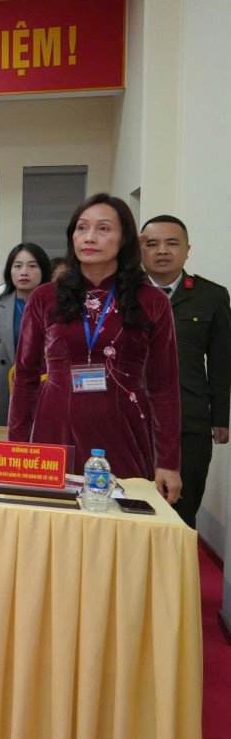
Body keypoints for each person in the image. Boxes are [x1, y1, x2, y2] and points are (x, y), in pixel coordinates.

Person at [10, 196, 180, 502]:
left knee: (120, 519)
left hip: (124, 429)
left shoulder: (152, 300)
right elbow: (25, 377)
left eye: (103, 228)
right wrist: (17, 448)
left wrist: (168, 460)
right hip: (55, 428)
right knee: (53, 519)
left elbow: (164, 385)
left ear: (124, 238)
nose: (89, 237)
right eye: (82, 228)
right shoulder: (45, 297)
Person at [140, 214, 227, 525]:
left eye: (172, 243)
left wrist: (220, 417)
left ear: (187, 250)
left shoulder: (211, 296)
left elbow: (220, 360)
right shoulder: (125, 294)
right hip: (132, 416)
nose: (162, 250)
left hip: (188, 418)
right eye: (152, 244)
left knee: (181, 507)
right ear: (140, 250)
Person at [0, 242, 49, 426]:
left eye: (32, 266)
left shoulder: (56, 307)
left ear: (43, 271)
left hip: (45, 391)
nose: (24, 272)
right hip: (2, 393)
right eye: (17, 266)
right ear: (10, 271)